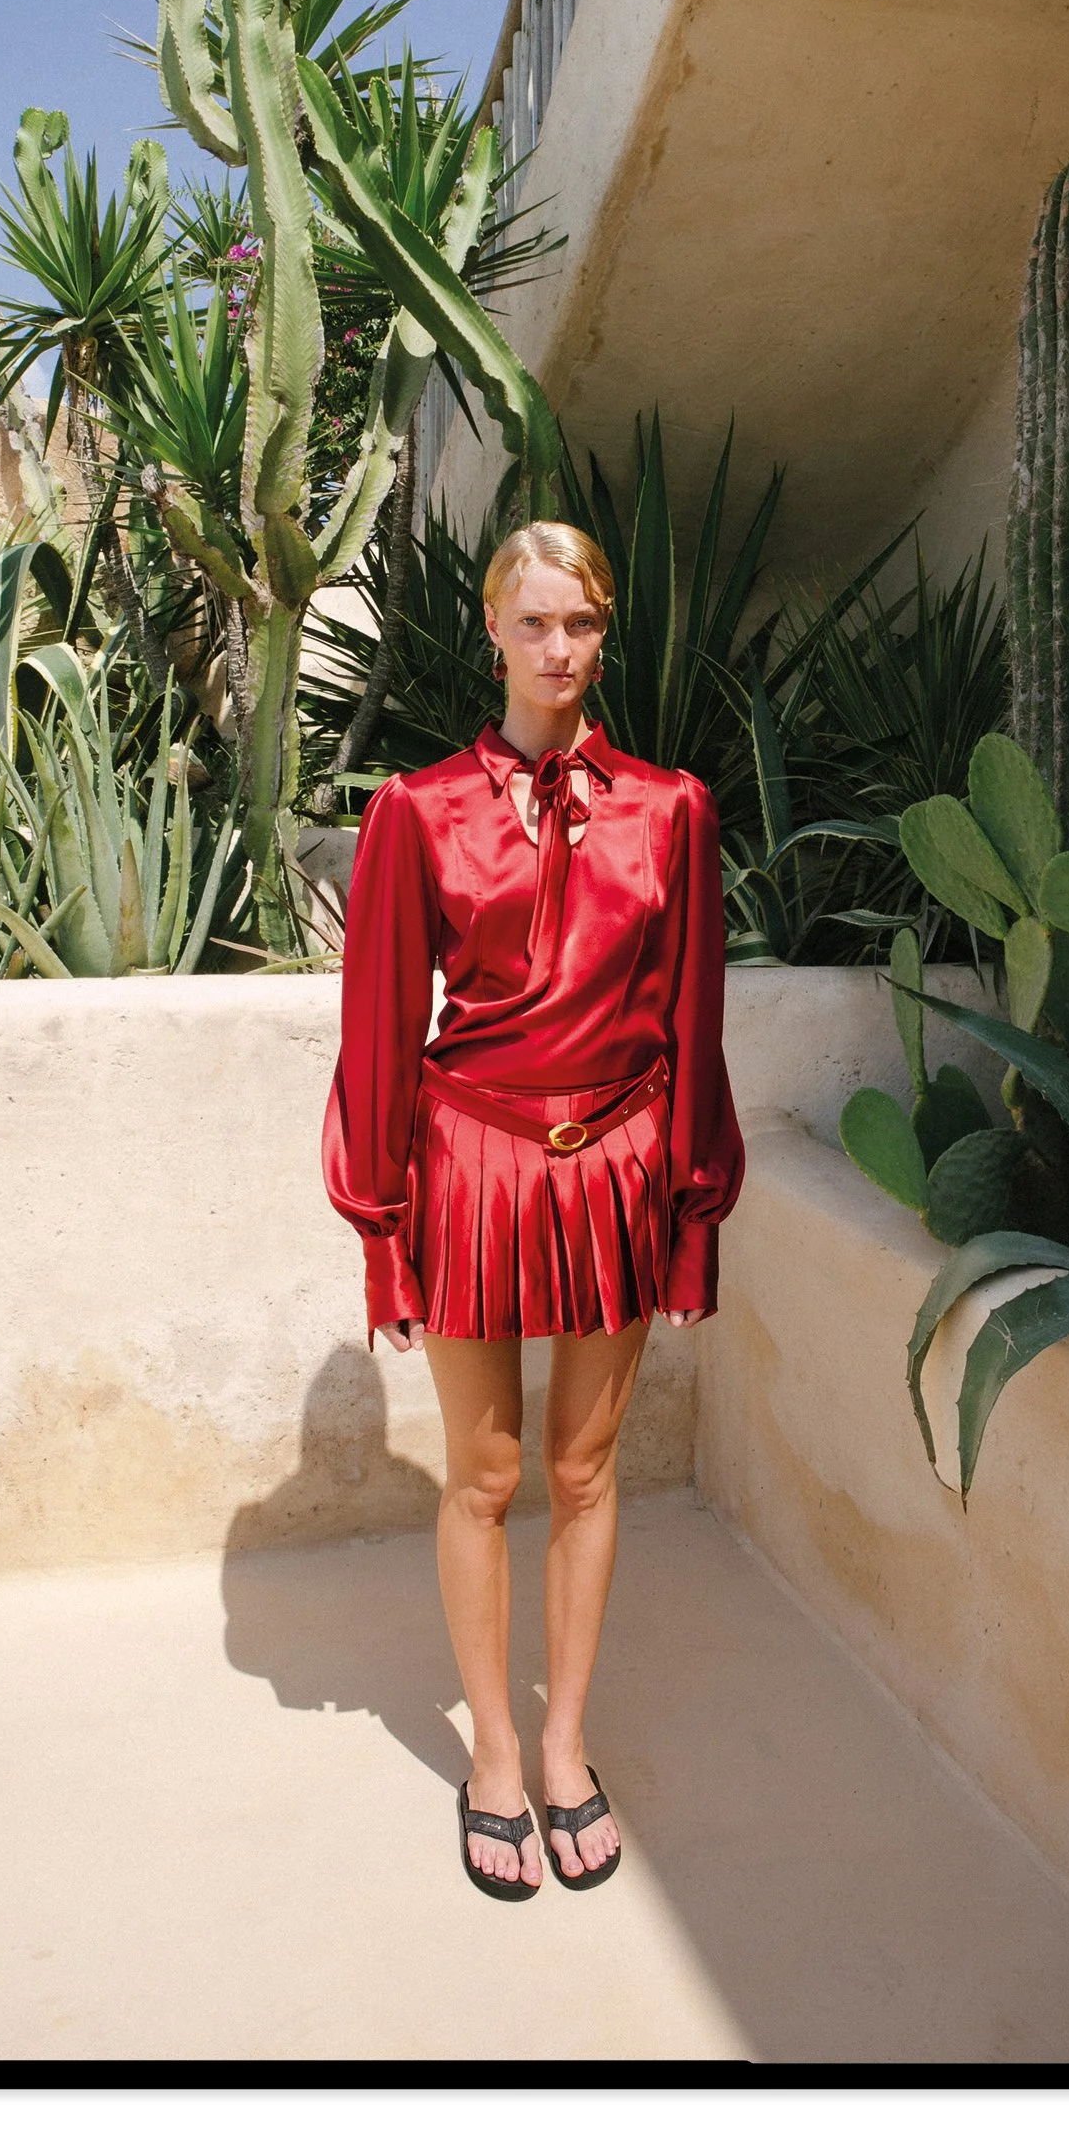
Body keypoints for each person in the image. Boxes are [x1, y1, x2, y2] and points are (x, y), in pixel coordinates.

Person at [322, 518, 745, 1900]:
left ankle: (566, 1744)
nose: (561, 650)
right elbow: (379, 1035)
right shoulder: (414, 812)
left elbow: (693, 1023)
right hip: (471, 1170)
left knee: (583, 1474)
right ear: (494, 633)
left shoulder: (674, 809)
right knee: (485, 1477)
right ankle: (492, 1756)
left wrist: (692, 1211)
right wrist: (382, 1233)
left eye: (583, 625)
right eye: (537, 624)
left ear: (601, 633)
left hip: (620, 1163)